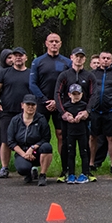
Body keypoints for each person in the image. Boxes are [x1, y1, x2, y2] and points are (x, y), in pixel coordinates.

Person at [28, 32, 72, 154]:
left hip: (61, 103)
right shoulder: (37, 61)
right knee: (37, 133)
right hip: (42, 103)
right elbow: (32, 83)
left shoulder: (67, 63)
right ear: (46, 43)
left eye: (56, 41)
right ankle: (36, 164)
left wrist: (57, 101)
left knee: (61, 134)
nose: (54, 43)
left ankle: (64, 166)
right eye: (51, 41)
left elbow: (69, 84)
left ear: (60, 44)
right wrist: (45, 100)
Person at [0, 47, 31, 178]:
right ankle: (4, 167)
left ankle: (30, 166)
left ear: (26, 58)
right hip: (7, 111)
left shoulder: (31, 74)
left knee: (28, 140)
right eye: (15, 56)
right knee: (5, 140)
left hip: (26, 113)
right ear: (12, 58)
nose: (18, 58)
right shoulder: (4, 73)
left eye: (21, 55)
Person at [55, 48, 94, 181]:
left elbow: (93, 95)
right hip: (67, 116)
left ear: (84, 59)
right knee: (66, 144)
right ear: (71, 57)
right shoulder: (64, 75)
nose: (79, 59)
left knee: (85, 144)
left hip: (83, 117)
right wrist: (63, 113)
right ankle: (66, 171)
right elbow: (57, 94)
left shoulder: (89, 76)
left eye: (81, 57)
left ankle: (86, 172)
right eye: (77, 56)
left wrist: (87, 111)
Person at [90, 50, 112, 176]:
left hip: (110, 111)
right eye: (103, 58)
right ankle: (91, 163)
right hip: (94, 111)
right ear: (99, 59)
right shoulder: (92, 74)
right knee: (93, 137)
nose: (105, 60)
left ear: (111, 60)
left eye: (108, 58)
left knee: (111, 138)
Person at [7, 95, 54, 186]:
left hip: (37, 151)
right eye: (28, 104)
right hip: (22, 151)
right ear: (22, 105)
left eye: (33, 105)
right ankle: (28, 173)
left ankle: (42, 175)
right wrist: (24, 154)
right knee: (22, 168)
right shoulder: (15, 120)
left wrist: (32, 148)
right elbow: (11, 142)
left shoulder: (41, 119)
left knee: (47, 147)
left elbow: (46, 138)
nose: (30, 107)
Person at [62, 83, 93, 184]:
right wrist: (68, 118)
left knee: (84, 152)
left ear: (81, 94)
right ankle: (71, 173)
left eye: (78, 94)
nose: (76, 96)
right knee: (71, 153)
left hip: (82, 133)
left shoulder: (84, 106)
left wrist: (83, 116)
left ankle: (85, 173)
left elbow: (91, 117)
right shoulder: (66, 107)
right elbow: (61, 118)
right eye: (74, 94)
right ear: (69, 94)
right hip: (70, 133)